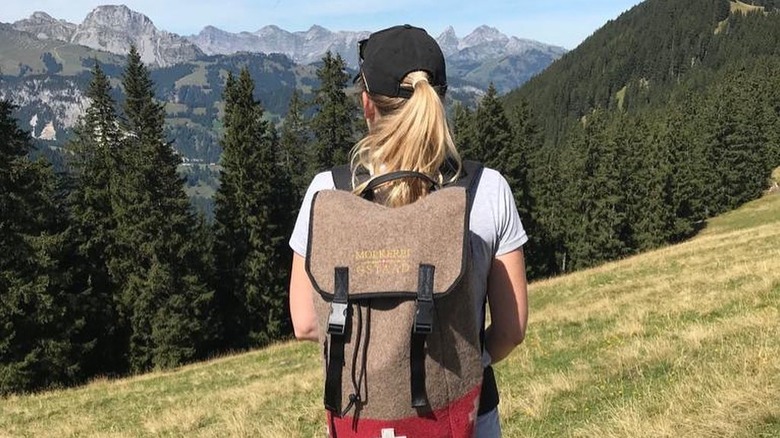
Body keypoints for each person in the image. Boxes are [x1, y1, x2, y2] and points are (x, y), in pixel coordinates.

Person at [288, 24, 528, 438]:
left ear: (367, 104)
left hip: (361, 415)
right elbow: (511, 330)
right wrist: (466, 359)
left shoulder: (327, 193)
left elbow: (307, 322)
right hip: (465, 420)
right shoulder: (487, 190)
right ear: (440, 99)